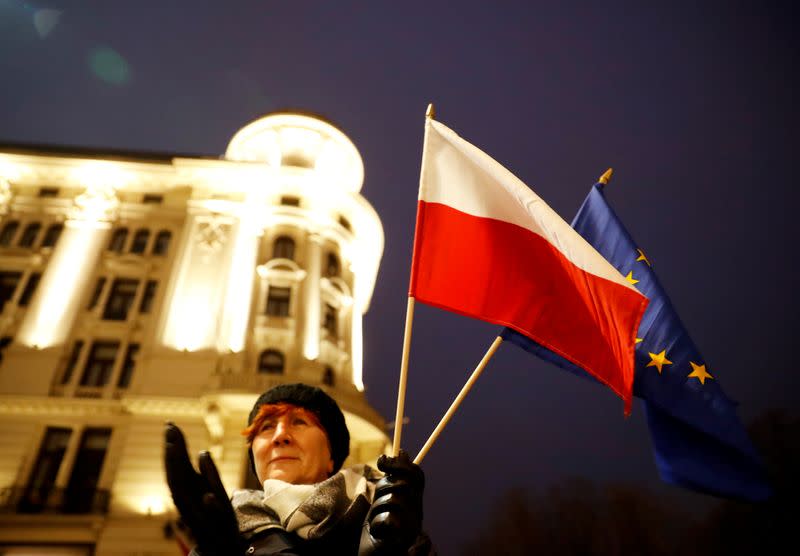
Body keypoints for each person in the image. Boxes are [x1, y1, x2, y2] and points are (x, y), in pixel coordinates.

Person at [164, 383, 434, 555]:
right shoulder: (227, 531)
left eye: (299, 422)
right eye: (266, 427)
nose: (280, 435)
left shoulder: (387, 519)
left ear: (332, 454)